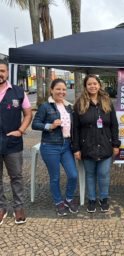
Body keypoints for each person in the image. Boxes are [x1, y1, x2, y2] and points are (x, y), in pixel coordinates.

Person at [73, 74, 120, 213]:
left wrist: (116, 144)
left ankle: (103, 198)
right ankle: (92, 199)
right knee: (90, 174)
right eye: (89, 84)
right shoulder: (79, 104)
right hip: (87, 146)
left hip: (105, 145)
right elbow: (74, 128)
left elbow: (114, 126)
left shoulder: (107, 102)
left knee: (104, 174)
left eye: (95, 83)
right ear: (85, 86)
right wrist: (76, 148)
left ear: (99, 85)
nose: (92, 86)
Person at [32, 78, 78, 216]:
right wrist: (50, 126)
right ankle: (58, 202)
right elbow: (35, 124)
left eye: (64, 89)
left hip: (66, 145)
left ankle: (69, 198)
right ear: (51, 90)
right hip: (50, 146)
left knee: (73, 175)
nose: (61, 92)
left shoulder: (69, 107)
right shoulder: (45, 106)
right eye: (58, 89)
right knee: (55, 177)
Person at [0, 60, 32, 225]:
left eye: (2, 70)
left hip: (12, 143)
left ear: (7, 73)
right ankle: (1, 208)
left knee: (16, 177)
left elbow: (28, 114)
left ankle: (18, 207)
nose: (0, 73)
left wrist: (20, 131)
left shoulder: (18, 92)